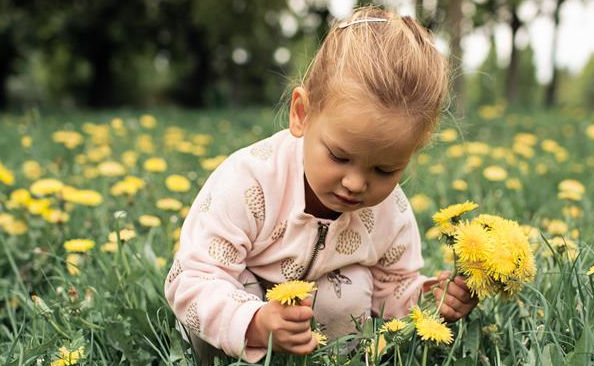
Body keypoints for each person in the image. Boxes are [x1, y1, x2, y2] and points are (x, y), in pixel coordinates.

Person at [164, 6, 478, 364]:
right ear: (301, 114)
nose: (356, 183)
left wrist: (429, 299)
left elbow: (391, 287)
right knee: (225, 295)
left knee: (354, 287)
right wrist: (254, 323)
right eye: (339, 157)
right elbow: (192, 279)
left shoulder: (391, 212)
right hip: (236, 325)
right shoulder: (251, 182)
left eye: (385, 169)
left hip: (319, 339)